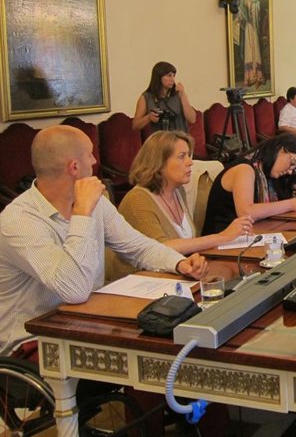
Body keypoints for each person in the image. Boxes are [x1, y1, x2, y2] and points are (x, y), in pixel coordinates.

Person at [0, 126, 206, 356]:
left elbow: (137, 246)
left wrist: (178, 263)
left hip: (87, 322)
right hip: (33, 343)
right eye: (89, 154)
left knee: (175, 344)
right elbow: (74, 290)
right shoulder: (19, 221)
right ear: (74, 167)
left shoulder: (94, 203)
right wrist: (82, 213)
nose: (95, 161)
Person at [110, 131, 252, 279]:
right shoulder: (138, 200)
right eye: (182, 156)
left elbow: (188, 243)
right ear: (159, 162)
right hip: (140, 282)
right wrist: (222, 237)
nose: (190, 162)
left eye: (189, 155)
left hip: (179, 276)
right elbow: (160, 249)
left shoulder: (178, 191)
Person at [203, 133, 296, 234]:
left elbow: (291, 187)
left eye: (294, 169)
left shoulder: (266, 170)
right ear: (279, 149)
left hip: (251, 233)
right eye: (292, 163)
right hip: (223, 238)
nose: (290, 171)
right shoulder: (244, 169)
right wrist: (290, 204)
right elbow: (246, 212)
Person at [132, 61, 196, 133]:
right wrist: (149, 117)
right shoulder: (146, 97)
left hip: (179, 138)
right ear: (159, 77)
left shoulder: (178, 94)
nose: (172, 79)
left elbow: (192, 119)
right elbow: (135, 125)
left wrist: (183, 96)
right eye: (169, 75)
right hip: (161, 138)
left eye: (174, 75)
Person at [236, 0, 266, 87]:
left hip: (254, 23)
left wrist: (252, 6)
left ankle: (257, 76)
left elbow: (258, 5)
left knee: (255, 50)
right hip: (247, 23)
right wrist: (243, 9)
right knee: (248, 50)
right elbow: (241, 6)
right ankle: (248, 77)